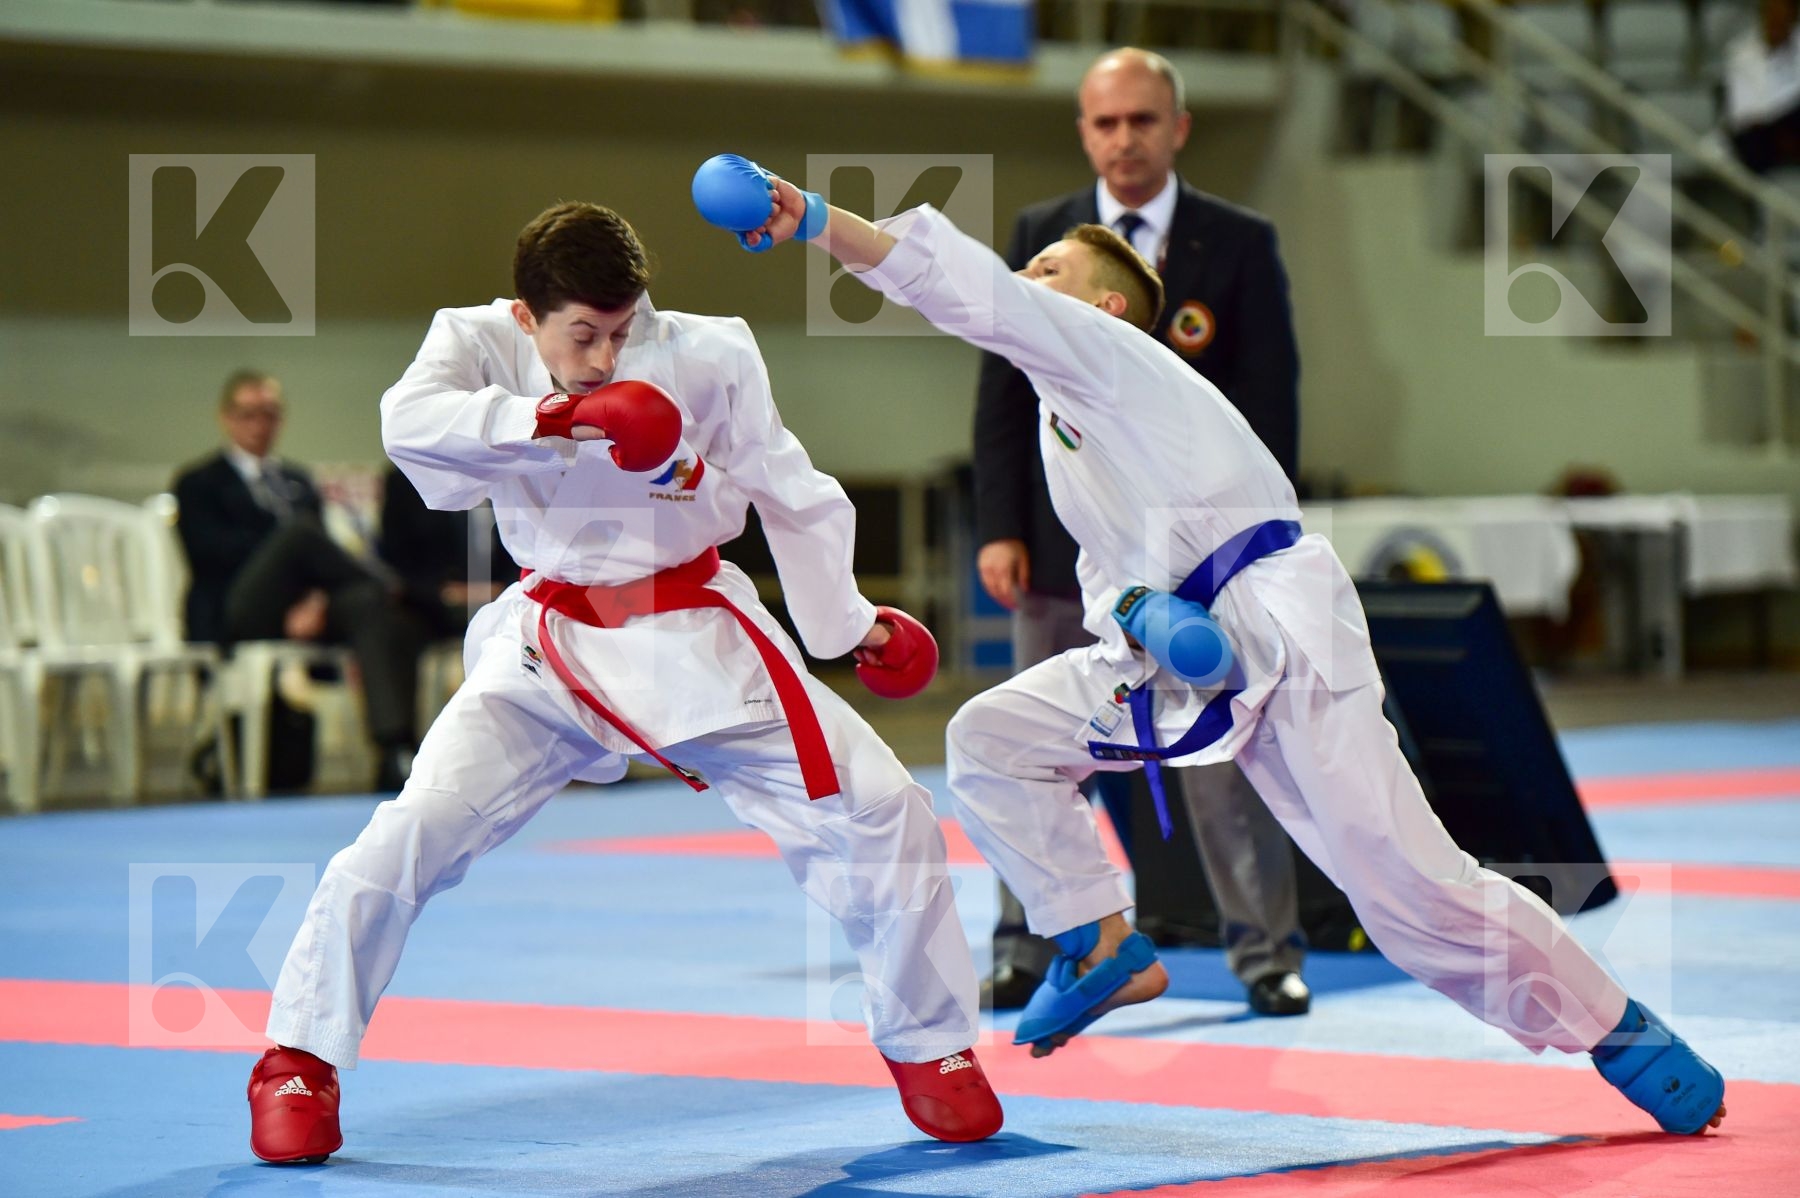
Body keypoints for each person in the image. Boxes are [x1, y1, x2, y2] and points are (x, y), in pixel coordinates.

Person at [702, 156, 1728, 1137]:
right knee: (988, 740)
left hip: (1282, 622)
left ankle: (1620, 1031)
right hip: (1182, 660)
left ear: (1099, 307)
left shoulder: (1108, 357)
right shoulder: (1070, 431)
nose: (1025, 280)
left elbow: (960, 286)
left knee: (1409, 889)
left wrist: (812, 216)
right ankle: (1102, 942)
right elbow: (1111, 578)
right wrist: (1140, 621)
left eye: (1048, 268)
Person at [243, 201, 1003, 1165]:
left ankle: (931, 1044)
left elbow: (791, 488)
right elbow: (409, 427)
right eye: (583, 336)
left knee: (888, 808)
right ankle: (299, 1056)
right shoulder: (474, 343)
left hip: (699, 634)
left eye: (623, 329)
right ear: (528, 318)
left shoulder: (713, 353)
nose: (607, 356)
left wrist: (849, 627)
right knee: (408, 835)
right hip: (546, 650)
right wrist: (554, 413)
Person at [973, 46, 1308, 1018]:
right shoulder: (1043, 236)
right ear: (1084, 131)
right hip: (1063, 544)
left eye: (1142, 121)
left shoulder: (1234, 242)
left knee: (1222, 755)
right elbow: (999, 399)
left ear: (1178, 128)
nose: (1124, 139)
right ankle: (1033, 946)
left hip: (1198, 555)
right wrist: (999, 527)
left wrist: (1253, 546)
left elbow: (1268, 403)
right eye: (1105, 122)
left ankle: (1265, 952)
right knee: (1038, 745)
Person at [173, 371, 428, 792]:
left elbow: (319, 563)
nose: (260, 424)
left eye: (270, 414)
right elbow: (210, 556)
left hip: (302, 610)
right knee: (300, 536)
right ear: (226, 418)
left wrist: (314, 603)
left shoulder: (297, 481)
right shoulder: (197, 483)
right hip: (235, 608)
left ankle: (394, 749)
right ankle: (396, 586)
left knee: (366, 602)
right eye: (249, 414)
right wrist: (287, 566)